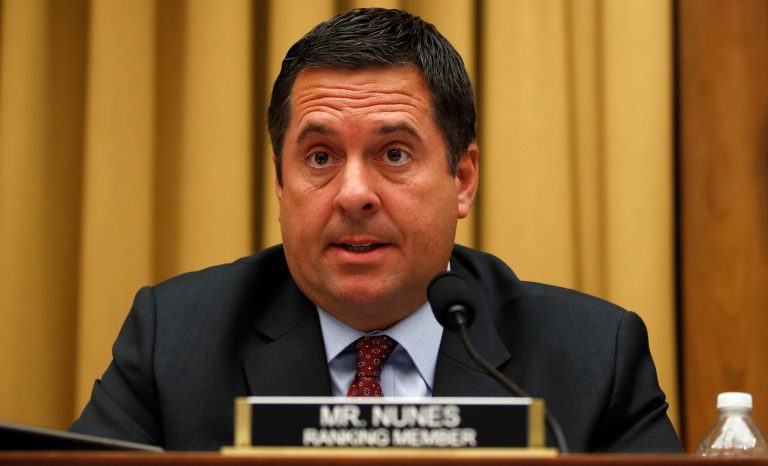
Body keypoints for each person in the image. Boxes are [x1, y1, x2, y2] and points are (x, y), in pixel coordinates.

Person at [70, 8, 683, 453]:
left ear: (463, 178)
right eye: (319, 157)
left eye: (393, 154)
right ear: (281, 186)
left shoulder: (592, 357)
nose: (355, 194)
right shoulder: (175, 341)